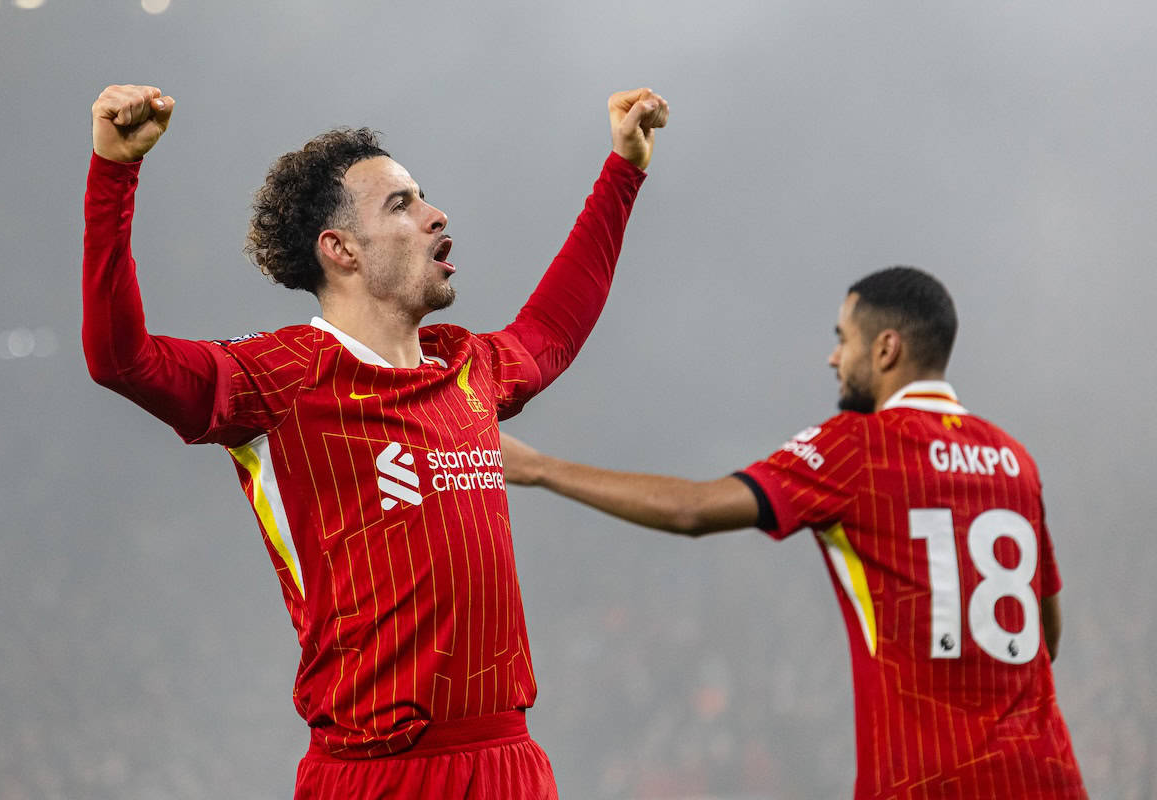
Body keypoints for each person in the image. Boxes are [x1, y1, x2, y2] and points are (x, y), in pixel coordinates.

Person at [82, 82, 667, 799]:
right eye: (402, 204)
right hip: (377, 776)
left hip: (508, 762)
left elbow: (552, 329)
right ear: (341, 250)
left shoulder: (467, 369)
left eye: (423, 196)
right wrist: (115, 171)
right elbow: (121, 359)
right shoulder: (282, 377)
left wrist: (624, 169)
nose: (435, 214)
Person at [500, 266, 1088, 799]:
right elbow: (1046, 636)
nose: (834, 358)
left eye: (843, 339)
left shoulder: (857, 447)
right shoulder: (1014, 459)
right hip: (1048, 776)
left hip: (926, 784)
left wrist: (541, 469)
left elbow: (695, 510)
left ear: (886, 349)